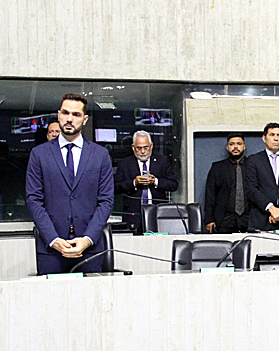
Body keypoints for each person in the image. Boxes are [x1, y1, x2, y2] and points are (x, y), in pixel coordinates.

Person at [25, 94, 115, 275]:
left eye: (76, 114)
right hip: (51, 250)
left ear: (85, 119)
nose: (69, 119)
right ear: (58, 115)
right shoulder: (39, 154)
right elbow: (34, 199)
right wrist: (53, 239)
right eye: (65, 113)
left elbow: (106, 201)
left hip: (89, 250)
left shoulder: (100, 155)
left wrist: (87, 239)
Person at [115, 130, 179, 232]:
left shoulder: (162, 161)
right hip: (133, 214)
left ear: (151, 146)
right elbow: (115, 187)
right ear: (133, 147)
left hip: (157, 213)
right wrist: (134, 183)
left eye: (146, 148)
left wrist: (156, 181)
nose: (143, 152)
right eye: (139, 148)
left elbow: (173, 185)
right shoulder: (125, 164)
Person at [203, 134, 249, 233]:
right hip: (224, 219)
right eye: (232, 144)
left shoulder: (253, 166)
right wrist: (209, 219)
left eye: (239, 144)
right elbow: (210, 195)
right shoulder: (217, 167)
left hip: (249, 219)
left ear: (244, 146)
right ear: (227, 147)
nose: (235, 147)